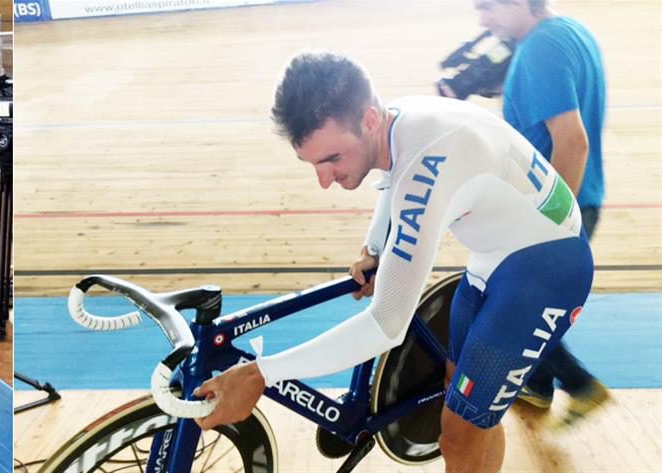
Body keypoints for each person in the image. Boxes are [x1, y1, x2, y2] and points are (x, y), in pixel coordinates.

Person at [193, 52, 592, 473]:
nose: (324, 180)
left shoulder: (427, 162)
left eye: (332, 159)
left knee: (459, 434)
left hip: (547, 274)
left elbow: (385, 325)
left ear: (367, 120)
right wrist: (375, 248)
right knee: (464, 408)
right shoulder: (398, 120)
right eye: (313, 164)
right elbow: (396, 176)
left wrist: (260, 374)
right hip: (498, 259)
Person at [473, 0, 610, 428]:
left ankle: (582, 385)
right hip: (582, 198)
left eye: (488, 7)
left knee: (510, 309)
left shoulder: (538, 51)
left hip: (554, 210)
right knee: (529, 300)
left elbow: (573, 142)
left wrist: (553, 228)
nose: (483, 19)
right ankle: (539, 384)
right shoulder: (569, 31)